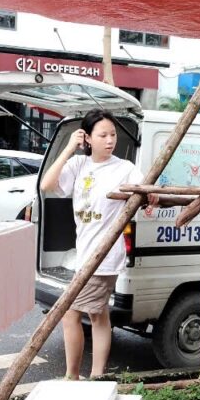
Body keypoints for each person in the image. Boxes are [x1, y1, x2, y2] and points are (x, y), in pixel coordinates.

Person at [39, 109, 155, 379]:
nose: (110, 140)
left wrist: (151, 196)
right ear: (88, 138)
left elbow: (146, 190)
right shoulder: (79, 166)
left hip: (104, 257)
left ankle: (72, 376)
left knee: (69, 314)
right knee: (99, 315)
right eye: (102, 135)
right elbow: (46, 184)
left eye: (112, 134)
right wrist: (69, 147)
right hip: (85, 254)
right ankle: (98, 375)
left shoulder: (124, 168)